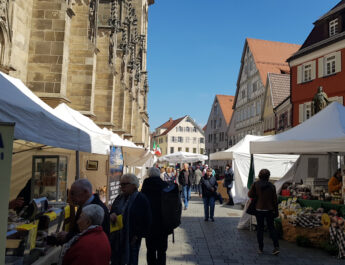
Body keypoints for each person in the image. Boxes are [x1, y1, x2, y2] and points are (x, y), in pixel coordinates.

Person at [110, 173, 151, 265]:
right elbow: (113, 210)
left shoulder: (141, 199)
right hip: (117, 237)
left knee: (131, 260)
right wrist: (112, 214)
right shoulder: (119, 198)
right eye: (121, 184)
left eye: (124, 184)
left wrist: (137, 235)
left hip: (132, 237)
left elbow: (146, 220)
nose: (121, 187)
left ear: (133, 185)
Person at [56, 179, 110, 244]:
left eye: (73, 193)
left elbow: (92, 238)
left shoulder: (98, 209)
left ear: (86, 192)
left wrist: (68, 236)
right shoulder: (83, 204)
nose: (71, 197)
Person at [141, 167, 169, 265]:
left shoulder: (145, 186)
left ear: (149, 174)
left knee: (151, 250)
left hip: (150, 223)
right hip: (163, 223)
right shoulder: (165, 185)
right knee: (162, 250)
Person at [248, 169, 279, 255]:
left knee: (260, 229)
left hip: (259, 209)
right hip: (269, 209)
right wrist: (276, 211)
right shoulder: (272, 186)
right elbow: (275, 200)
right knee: (271, 228)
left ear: (260, 175)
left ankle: (260, 248)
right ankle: (276, 247)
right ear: (268, 176)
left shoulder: (256, 184)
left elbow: (250, 194)